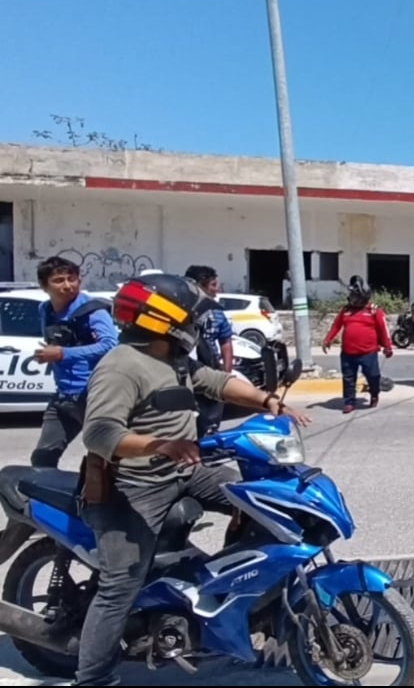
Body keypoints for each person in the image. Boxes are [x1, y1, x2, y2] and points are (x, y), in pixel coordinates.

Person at [73, 272, 311, 686]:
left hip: (183, 471)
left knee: (261, 501)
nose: (196, 328)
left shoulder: (172, 358)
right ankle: (92, 677)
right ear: (160, 322)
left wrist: (268, 401)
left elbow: (215, 382)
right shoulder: (121, 366)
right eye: (189, 320)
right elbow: (99, 434)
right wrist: (158, 445)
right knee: (118, 586)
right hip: (133, 487)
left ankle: (226, 597)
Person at [31, 255, 119, 467]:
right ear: (44, 286)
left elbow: (110, 344)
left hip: (94, 396)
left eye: (72, 279)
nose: (67, 285)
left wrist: (62, 354)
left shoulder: (92, 310)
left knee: (105, 460)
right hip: (64, 397)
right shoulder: (45, 310)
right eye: (59, 280)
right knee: (43, 457)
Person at [321, 278, 393, 414]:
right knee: (348, 378)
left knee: (373, 376)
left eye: (354, 295)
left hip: (368, 352)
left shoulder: (373, 311)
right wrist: (328, 339)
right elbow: (336, 325)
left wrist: (387, 347)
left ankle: (374, 394)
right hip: (348, 352)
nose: (351, 298)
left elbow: (383, 329)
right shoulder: (346, 310)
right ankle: (349, 402)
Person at [183, 265, 234, 435]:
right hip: (183, 372)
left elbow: (226, 340)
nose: (217, 289)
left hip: (209, 369)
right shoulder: (180, 310)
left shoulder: (217, 312)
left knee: (210, 419)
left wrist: (226, 372)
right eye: (212, 285)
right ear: (198, 286)